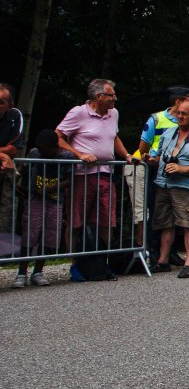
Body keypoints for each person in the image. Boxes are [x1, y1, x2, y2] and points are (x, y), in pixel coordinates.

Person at [56, 79, 134, 277]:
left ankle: (103, 262)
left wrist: (126, 155)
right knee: (77, 220)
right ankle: (75, 265)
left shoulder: (113, 113)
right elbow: (58, 136)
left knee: (107, 220)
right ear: (99, 96)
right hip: (82, 175)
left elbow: (114, 136)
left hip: (106, 173)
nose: (115, 98)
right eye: (111, 95)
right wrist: (78, 154)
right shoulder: (78, 112)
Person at [124, 86, 189, 260]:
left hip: (170, 169)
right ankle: (151, 251)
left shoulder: (186, 120)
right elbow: (143, 146)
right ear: (178, 101)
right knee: (151, 210)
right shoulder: (156, 118)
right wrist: (155, 157)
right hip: (149, 167)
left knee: (171, 209)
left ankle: (170, 251)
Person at [147, 100, 189, 278]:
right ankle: (163, 261)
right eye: (178, 113)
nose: (180, 116)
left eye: (185, 114)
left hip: (186, 186)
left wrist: (182, 169)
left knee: (188, 224)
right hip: (164, 183)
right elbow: (160, 156)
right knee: (165, 223)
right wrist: (151, 160)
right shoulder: (169, 132)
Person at [11, 130, 74, 288]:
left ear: (55, 147)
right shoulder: (34, 153)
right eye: (40, 149)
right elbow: (23, 167)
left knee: (49, 235)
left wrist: (51, 188)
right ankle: (21, 273)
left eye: (46, 150)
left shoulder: (66, 156)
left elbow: (70, 179)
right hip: (35, 198)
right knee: (30, 233)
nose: (43, 152)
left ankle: (38, 271)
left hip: (55, 200)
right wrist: (17, 181)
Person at [0, 83, 25, 233]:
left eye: (0, 102)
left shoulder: (15, 115)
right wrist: (2, 155)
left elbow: (13, 149)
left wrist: (5, 155)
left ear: (10, 106)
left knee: (4, 216)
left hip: (4, 173)